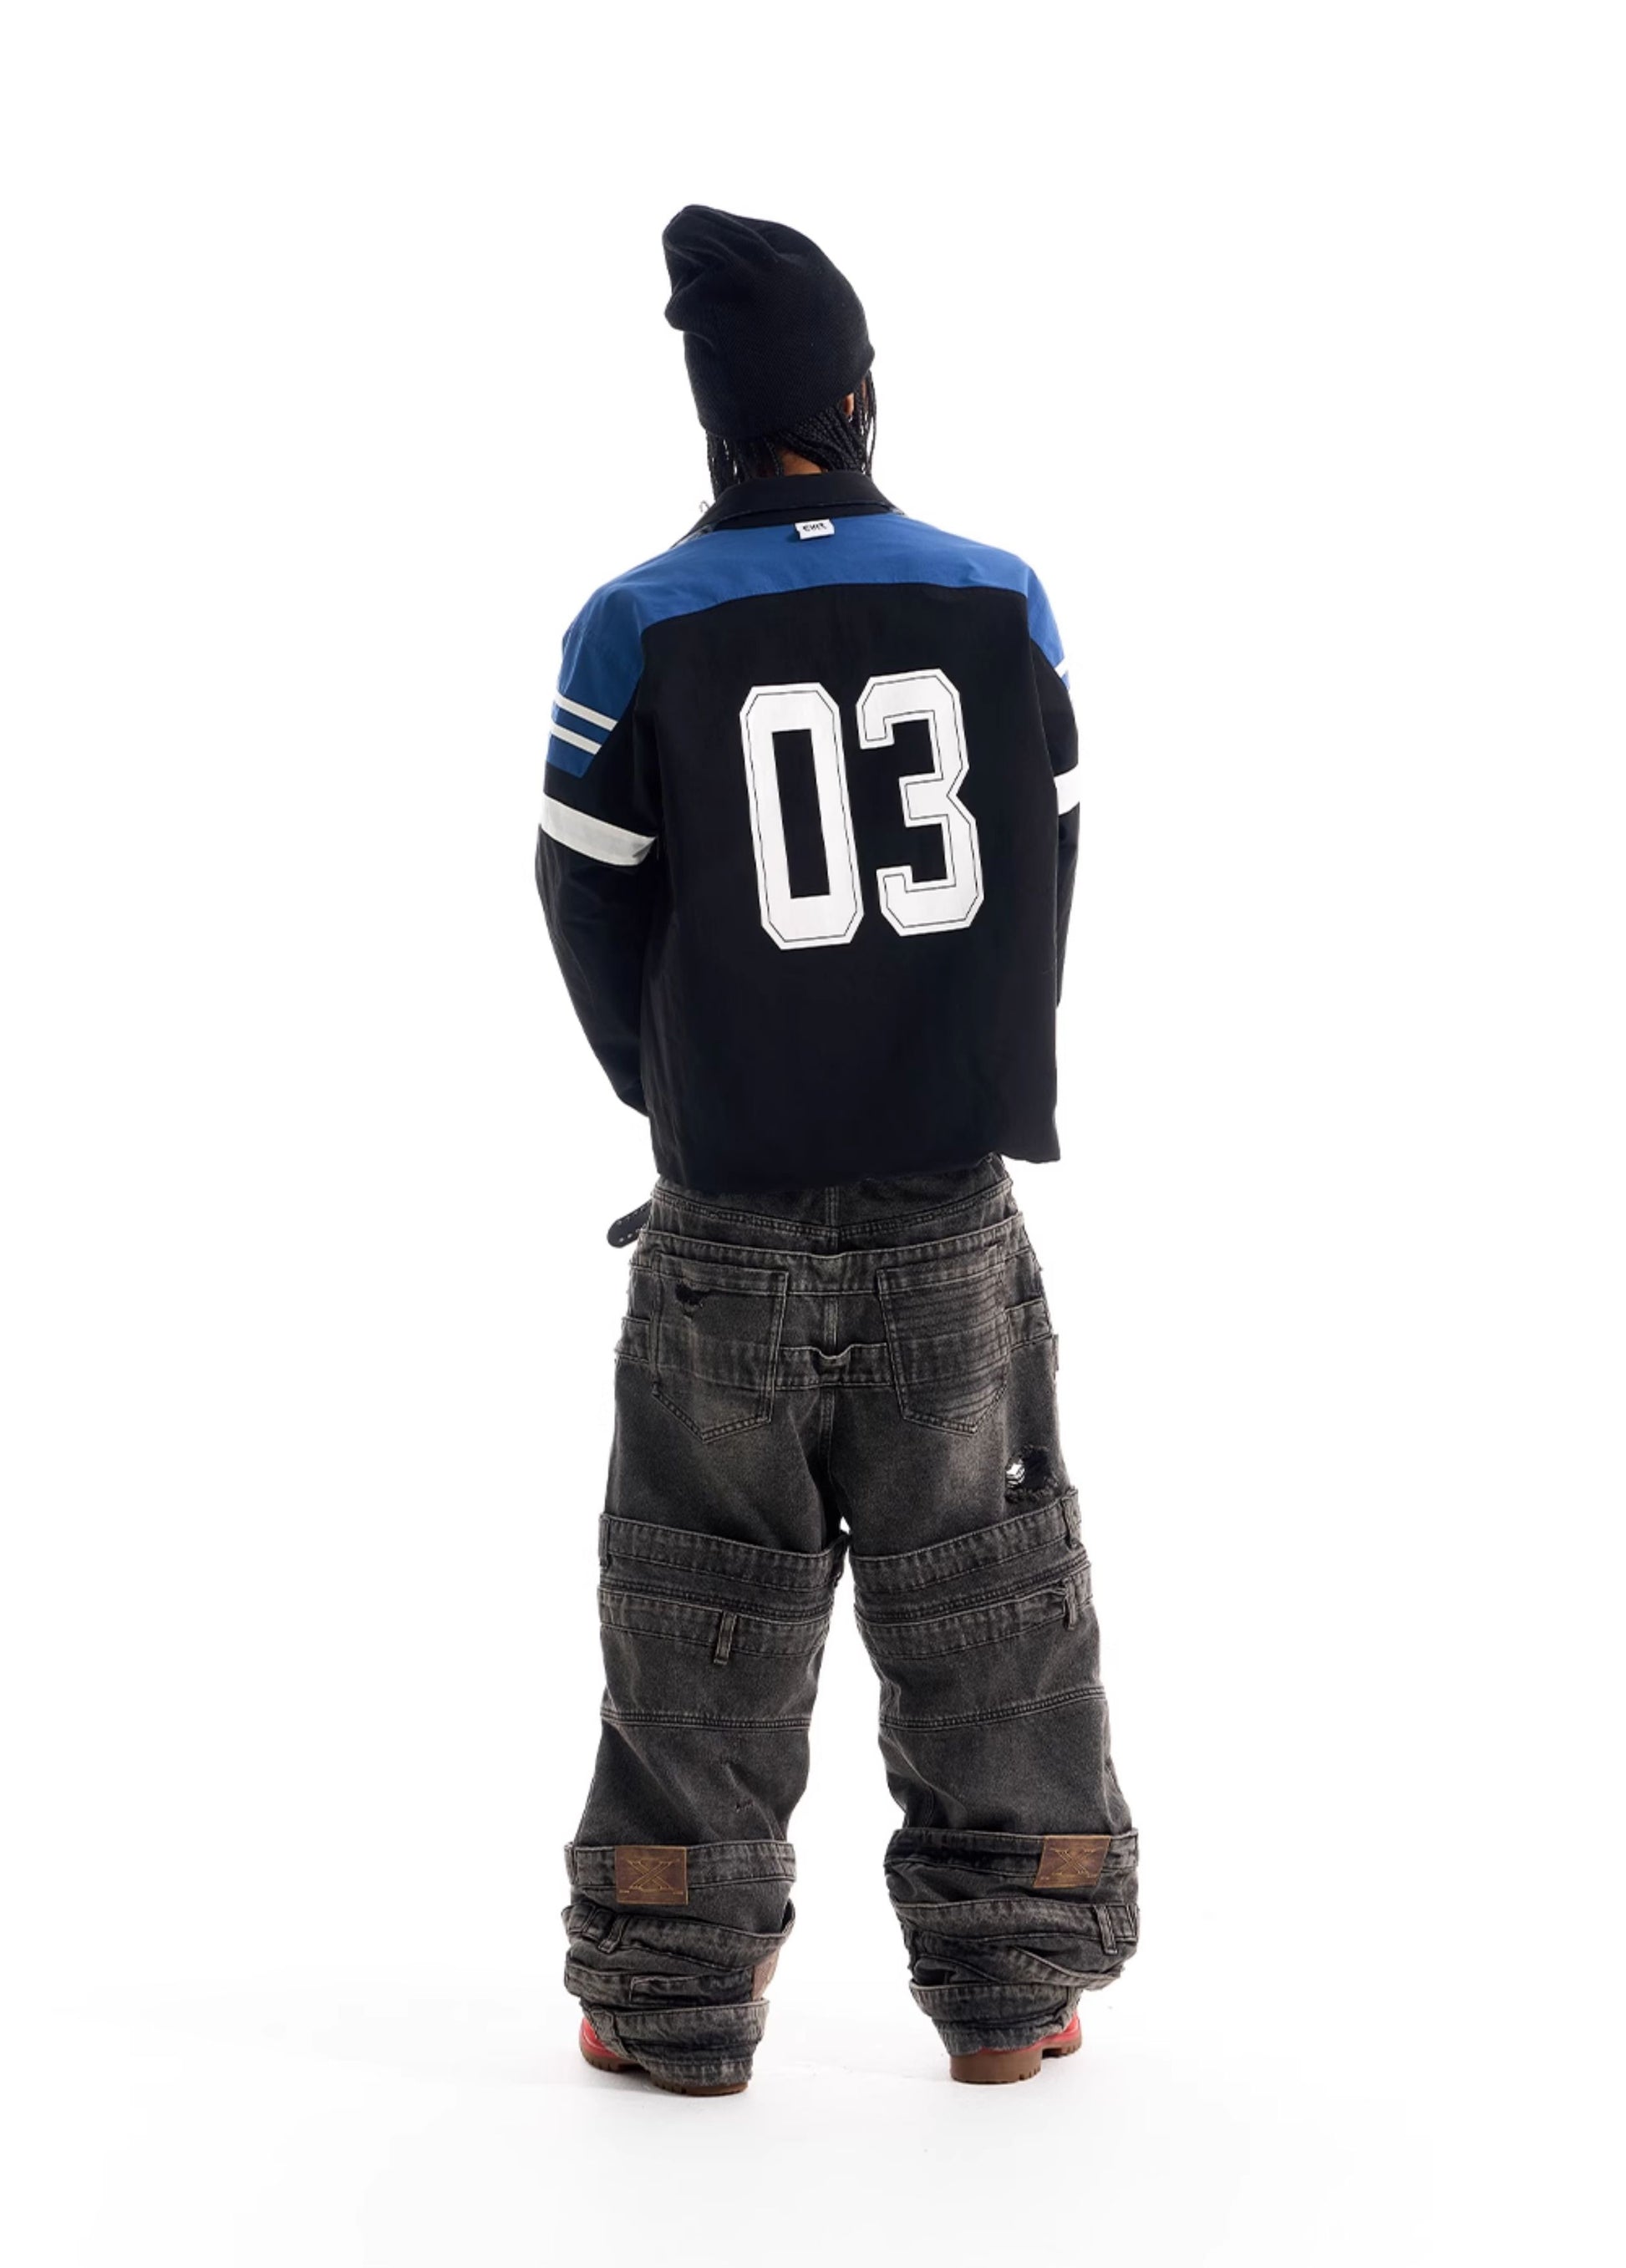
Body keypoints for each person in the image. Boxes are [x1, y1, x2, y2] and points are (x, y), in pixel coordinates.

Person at [536, 205, 1137, 2096]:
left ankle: (669, 2003)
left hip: (723, 1216)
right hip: (947, 1204)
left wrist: (682, 1086)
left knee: (696, 1607)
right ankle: (1013, 1987)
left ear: (714, 421)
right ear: (861, 396)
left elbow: (584, 901)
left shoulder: (633, 623)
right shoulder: (1000, 598)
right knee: (985, 1594)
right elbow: (1046, 871)